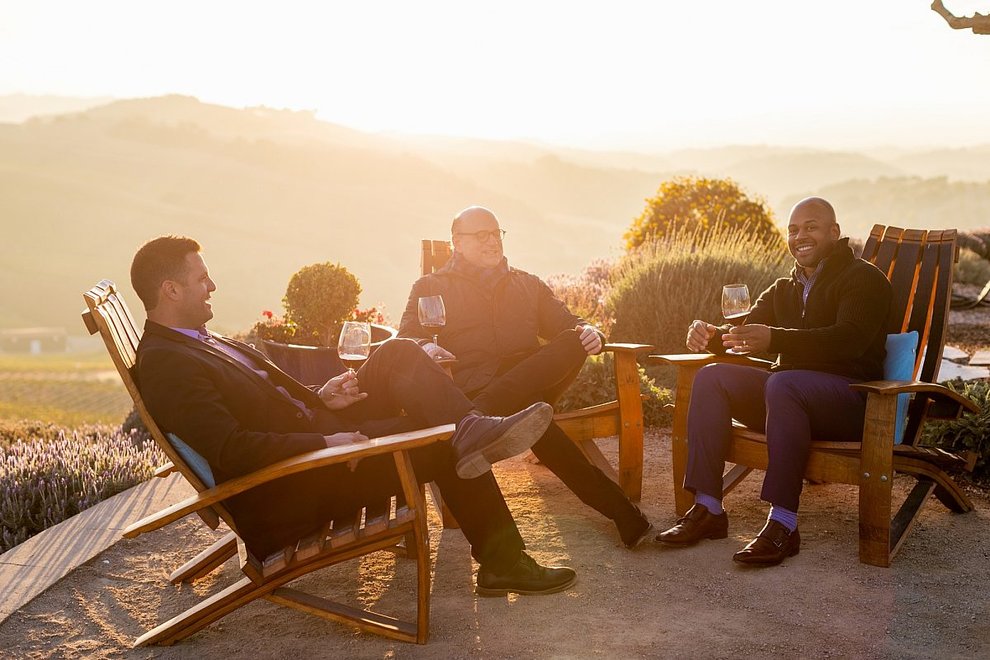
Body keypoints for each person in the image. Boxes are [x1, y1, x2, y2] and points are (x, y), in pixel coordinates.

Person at [130, 235, 577, 596]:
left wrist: (320, 396)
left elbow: (257, 400)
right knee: (441, 437)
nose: (213, 287)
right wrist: (323, 443)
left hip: (317, 431)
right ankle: (503, 559)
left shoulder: (196, 339)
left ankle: (473, 428)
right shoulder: (168, 363)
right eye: (202, 279)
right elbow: (231, 448)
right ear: (170, 290)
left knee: (399, 352)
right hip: (301, 481)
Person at [655, 197, 892, 566]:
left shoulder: (864, 278)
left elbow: (850, 337)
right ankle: (708, 509)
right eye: (793, 230)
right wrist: (709, 334)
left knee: (782, 383)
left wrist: (776, 339)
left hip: (852, 401)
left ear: (834, 232)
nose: (800, 236)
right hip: (788, 402)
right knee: (712, 377)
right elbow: (745, 332)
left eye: (811, 227)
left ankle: (783, 524)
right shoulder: (784, 288)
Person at [399, 206, 652, 549]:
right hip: (474, 383)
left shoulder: (527, 284)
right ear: (457, 242)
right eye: (481, 235)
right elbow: (406, 339)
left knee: (574, 340)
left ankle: (471, 422)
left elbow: (568, 322)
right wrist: (425, 349)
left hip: (521, 384)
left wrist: (592, 332)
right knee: (537, 418)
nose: (492, 241)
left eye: (496, 233)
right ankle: (623, 514)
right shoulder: (430, 286)